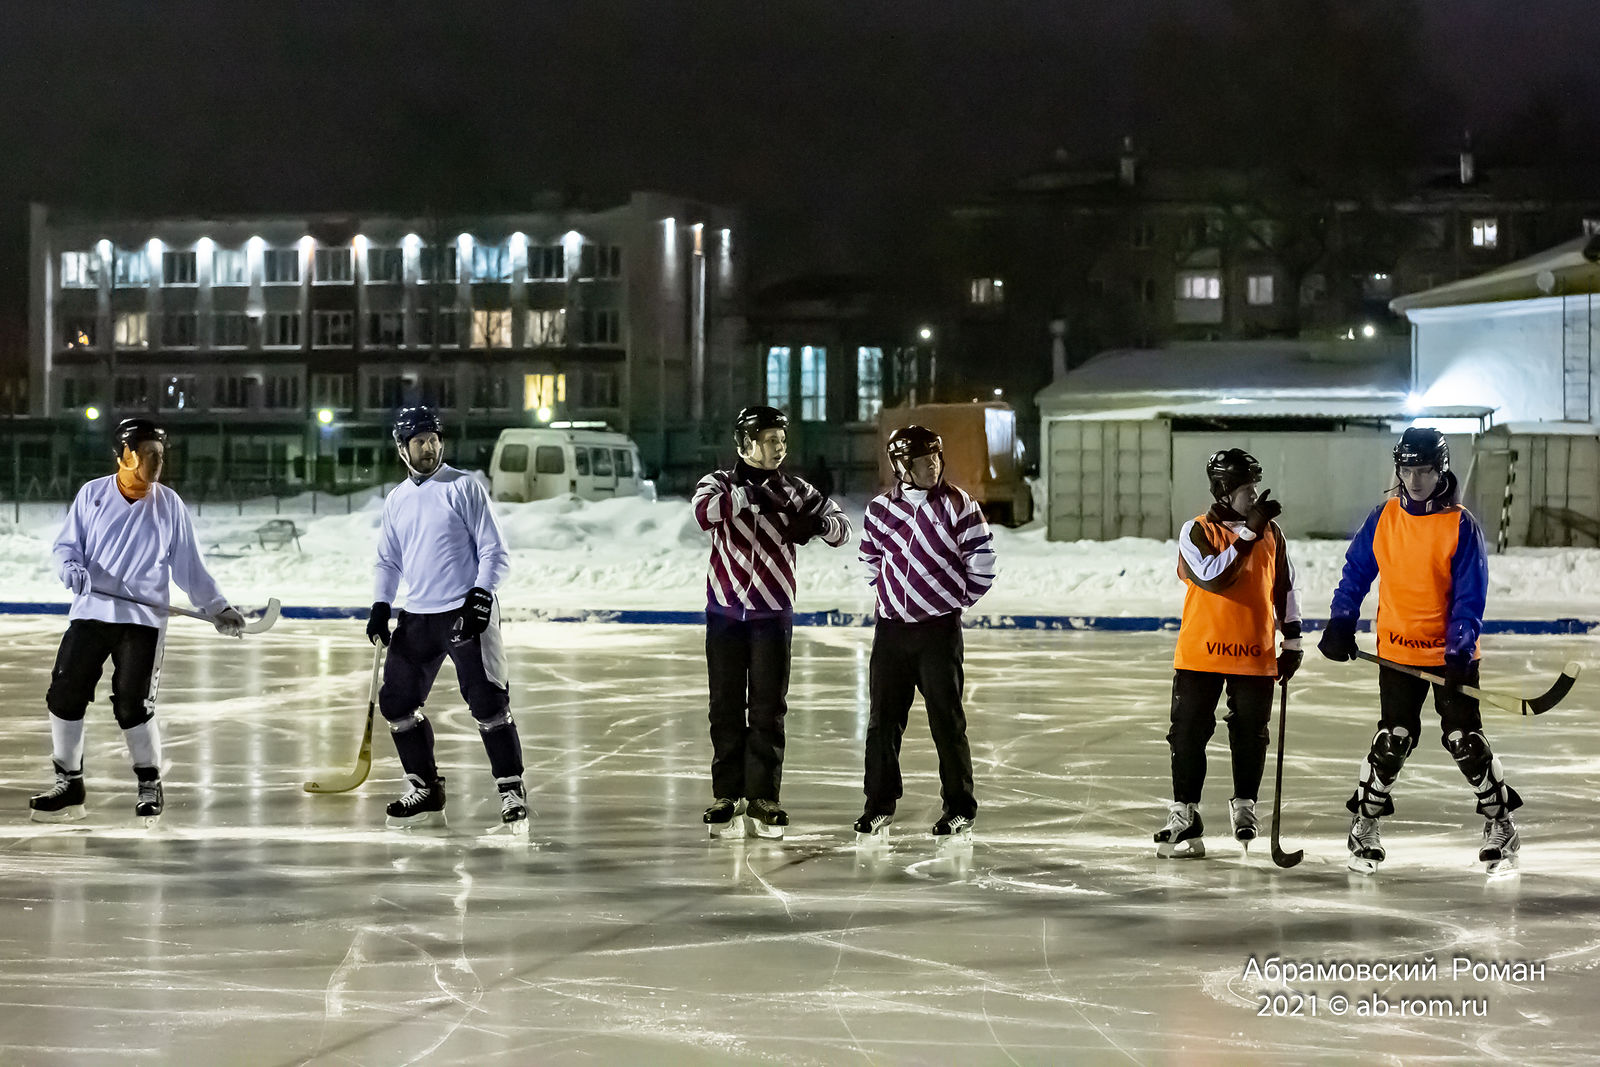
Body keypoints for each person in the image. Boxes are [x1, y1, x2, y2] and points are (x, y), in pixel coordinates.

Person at [1319, 427, 1518, 876]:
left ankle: (1500, 824)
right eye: (1407, 471)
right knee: (1393, 740)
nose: (1415, 480)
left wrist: (1460, 650)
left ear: (1440, 469)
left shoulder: (1460, 524)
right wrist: (1341, 620)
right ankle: (1365, 825)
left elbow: (1470, 595)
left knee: (1465, 740)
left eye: (1424, 470)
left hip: (1451, 657)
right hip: (1397, 654)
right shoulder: (1384, 517)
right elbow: (1356, 572)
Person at [31, 417, 247, 825]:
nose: (157, 462)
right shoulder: (92, 494)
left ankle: (149, 781)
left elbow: (190, 567)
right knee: (64, 693)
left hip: (143, 621)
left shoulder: (168, 505)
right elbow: (66, 546)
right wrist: (70, 567)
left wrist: (217, 606)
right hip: (91, 612)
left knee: (132, 703)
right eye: (148, 453)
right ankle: (69, 783)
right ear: (125, 455)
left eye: (161, 454)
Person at [691, 405, 851, 839]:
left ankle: (763, 797)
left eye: (782, 440)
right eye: (770, 440)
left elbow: (844, 530)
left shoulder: (796, 490)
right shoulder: (719, 483)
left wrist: (818, 523)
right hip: (725, 614)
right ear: (746, 443)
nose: (779, 448)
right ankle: (727, 795)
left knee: (768, 709)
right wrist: (748, 496)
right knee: (725, 706)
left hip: (772, 615)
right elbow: (703, 514)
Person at [366, 406, 525, 830]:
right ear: (402, 449)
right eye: (419, 441)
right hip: (418, 615)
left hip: (464, 612)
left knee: (489, 702)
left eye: (434, 439)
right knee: (397, 703)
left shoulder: (463, 487)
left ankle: (511, 792)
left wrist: (481, 594)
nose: (429, 447)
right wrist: (381, 605)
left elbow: (495, 551)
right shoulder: (397, 500)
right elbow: (388, 561)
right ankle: (426, 789)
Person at [1154, 449, 1302, 858]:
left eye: (1255, 488)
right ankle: (1185, 812)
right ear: (1223, 490)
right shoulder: (1196, 530)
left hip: (1255, 652)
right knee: (1187, 733)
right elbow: (1214, 576)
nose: (1254, 496)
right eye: (1245, 489)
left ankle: (1245, 805)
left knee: (1251, 734)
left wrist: (1292, 640)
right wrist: (1249, 533)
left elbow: (1285, 586)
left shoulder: (1272, 533)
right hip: (1200, 654)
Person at [854, 425, 997, 844]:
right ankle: (878, 806)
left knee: (947, 722)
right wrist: (893, 597)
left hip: (938, 633)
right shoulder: (881, 509)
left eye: (935, 457)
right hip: (891, 632)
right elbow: (869, 560)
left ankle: (960, 808)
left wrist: (952, 601)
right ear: (902, 467)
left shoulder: (959, 505)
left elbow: (983, 562)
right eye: (921, 461)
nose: (932, 465)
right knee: (882, 724)